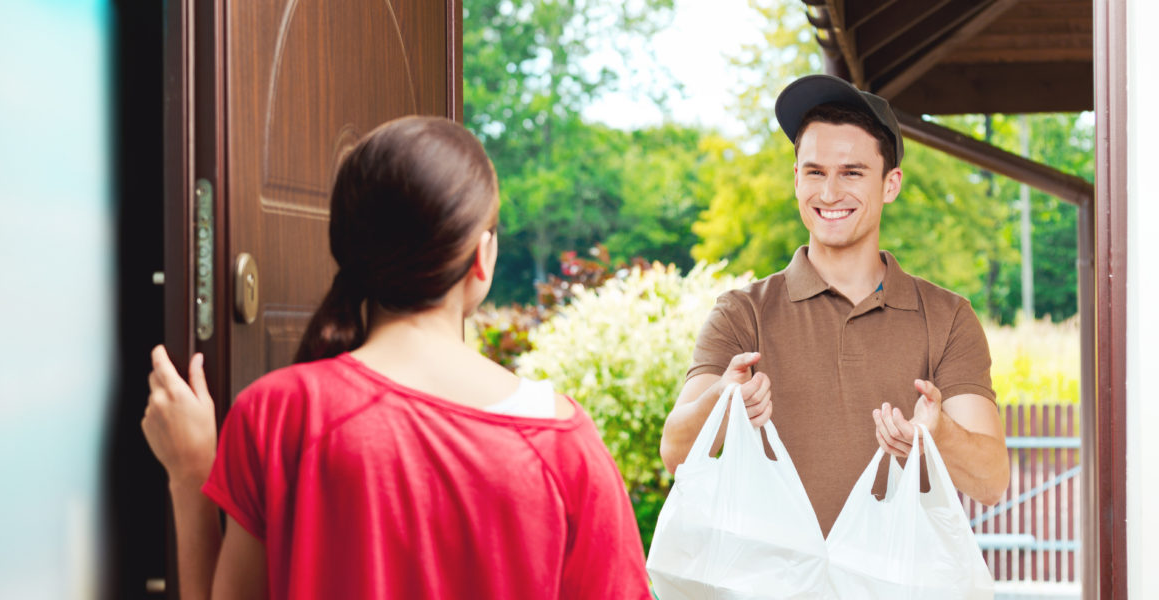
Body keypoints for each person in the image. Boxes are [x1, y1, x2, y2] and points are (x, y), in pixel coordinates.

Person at [142, 116, 651, 599]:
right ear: (482, 256)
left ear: (346, 246)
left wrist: (190, 474)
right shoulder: (566, 446)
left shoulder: (281, 413)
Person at [658, 74, 1011, 537]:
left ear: (891, 184)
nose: (828, 193)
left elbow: (991, 481)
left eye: (852, 172)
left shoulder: (947, 318)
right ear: (797, 179)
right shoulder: (742, 313)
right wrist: (723, 403)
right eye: (815, 172)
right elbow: (675, 453)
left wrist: (937, 432)